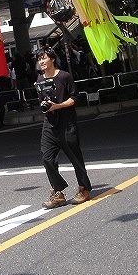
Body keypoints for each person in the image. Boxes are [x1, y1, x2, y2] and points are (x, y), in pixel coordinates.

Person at [35, 45, 92, 209]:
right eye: (39, 59)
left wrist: (58, 106)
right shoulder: (40, 80)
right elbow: (42, 100)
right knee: (47, 158)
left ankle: (84, 188)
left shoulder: (64, 76)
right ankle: (58, 192)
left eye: (44, 58)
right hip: (49, 124)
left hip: (67, 124)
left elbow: (75, 97)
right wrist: (44, 105)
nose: (41, 62)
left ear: (52, 59)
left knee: (75, 158)